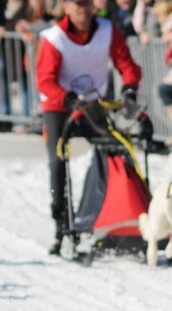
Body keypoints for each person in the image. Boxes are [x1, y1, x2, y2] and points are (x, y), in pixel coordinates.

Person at [36, 0, 142, 255]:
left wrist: (129, 87)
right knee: (57, 161)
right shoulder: (54, 38)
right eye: (77, 4)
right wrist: (69, 99)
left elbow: (126, 64)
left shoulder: (108, 31)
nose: (83, 8)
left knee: (116, 150)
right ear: (67, 8)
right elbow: (45, 80)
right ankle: (60, 221)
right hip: (59, 107)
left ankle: (116, 215)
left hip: (94, 105)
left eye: (87, 3)